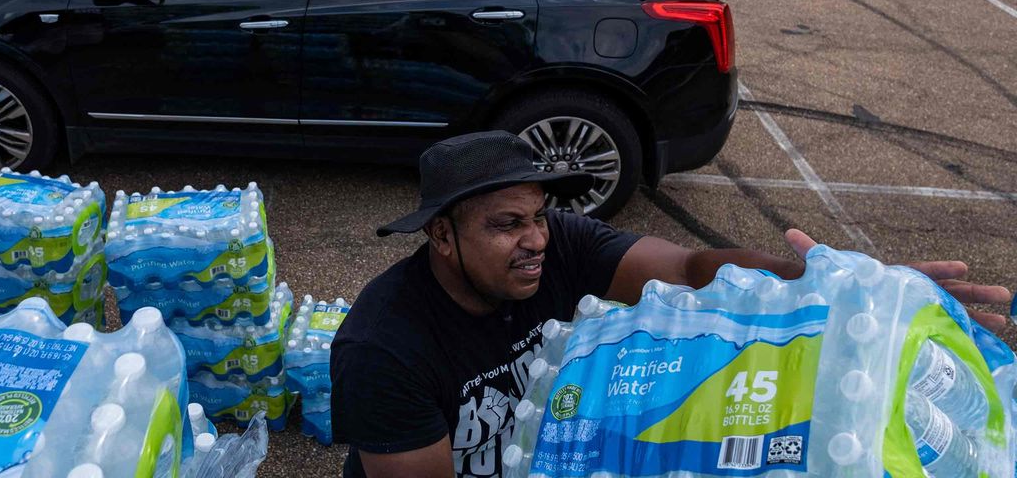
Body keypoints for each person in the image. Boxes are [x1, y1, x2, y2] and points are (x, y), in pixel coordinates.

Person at [330, 131, 1012, 478]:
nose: (534, 239)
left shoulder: (560, 247)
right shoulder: (384, 347)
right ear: (442, 235)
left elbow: (691, 269)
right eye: (506, 225)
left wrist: (837, 289)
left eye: (538, 215)